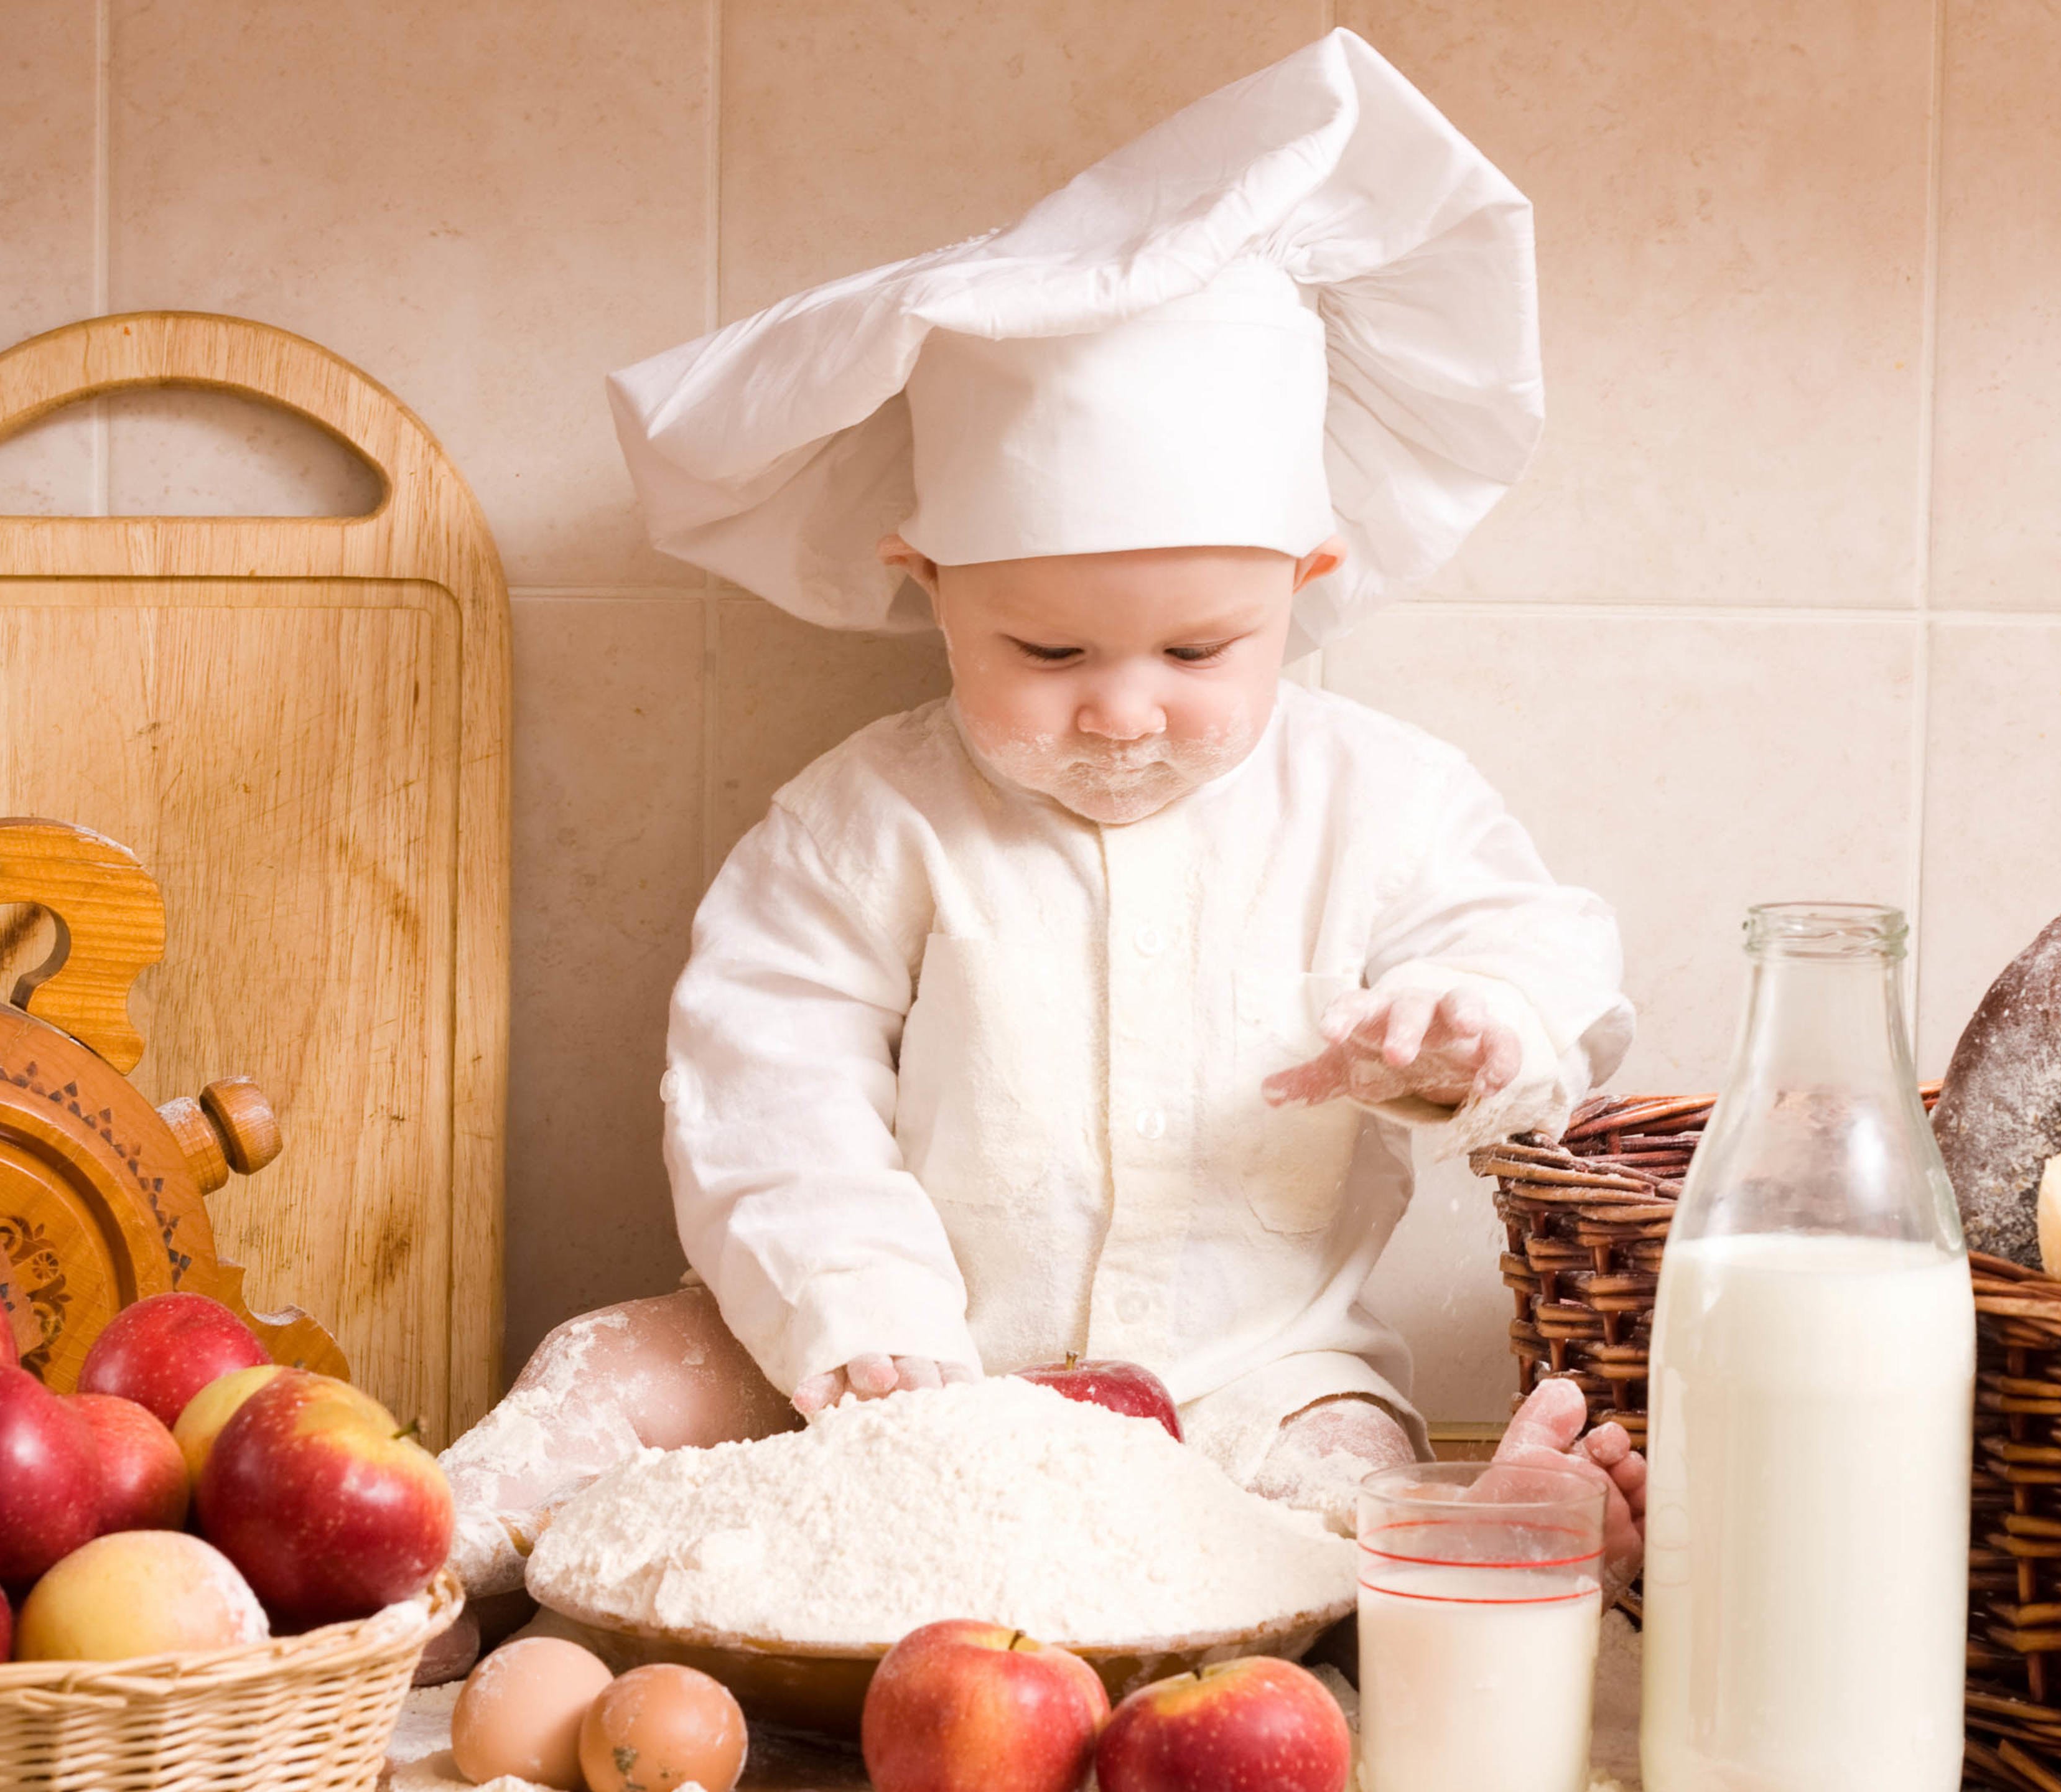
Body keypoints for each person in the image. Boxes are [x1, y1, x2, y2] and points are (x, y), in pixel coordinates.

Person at [444, 27, 1643, 1601]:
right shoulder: (860, 824)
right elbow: (765, 1081)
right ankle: (405, 1570)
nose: (1124, 709)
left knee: (1331, 1479)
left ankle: (1482, 1534)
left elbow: (1543, 948)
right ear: (929, 587)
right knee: (615, 1364)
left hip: (1250, 1373)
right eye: (1047, 651)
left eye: (1200, 649)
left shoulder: (1383, 800)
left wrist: (1471, 1024)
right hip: (882, 1372)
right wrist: (861, 1323)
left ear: (1308, 586)